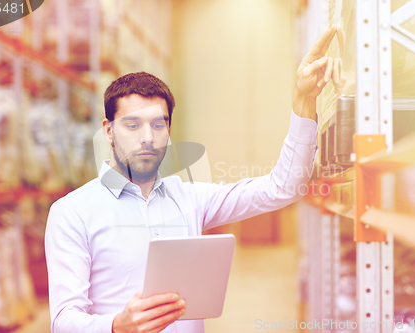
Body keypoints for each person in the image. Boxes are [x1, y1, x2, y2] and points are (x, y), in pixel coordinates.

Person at [45, 26, 338, 333]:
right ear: (108, 130)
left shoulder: (190, 199)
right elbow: (63, 320)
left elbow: (283, 188)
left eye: (158, 125)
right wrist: (117, 326)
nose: (148, 138)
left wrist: (303, 100)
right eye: (132, 126)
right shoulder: (72, 213)